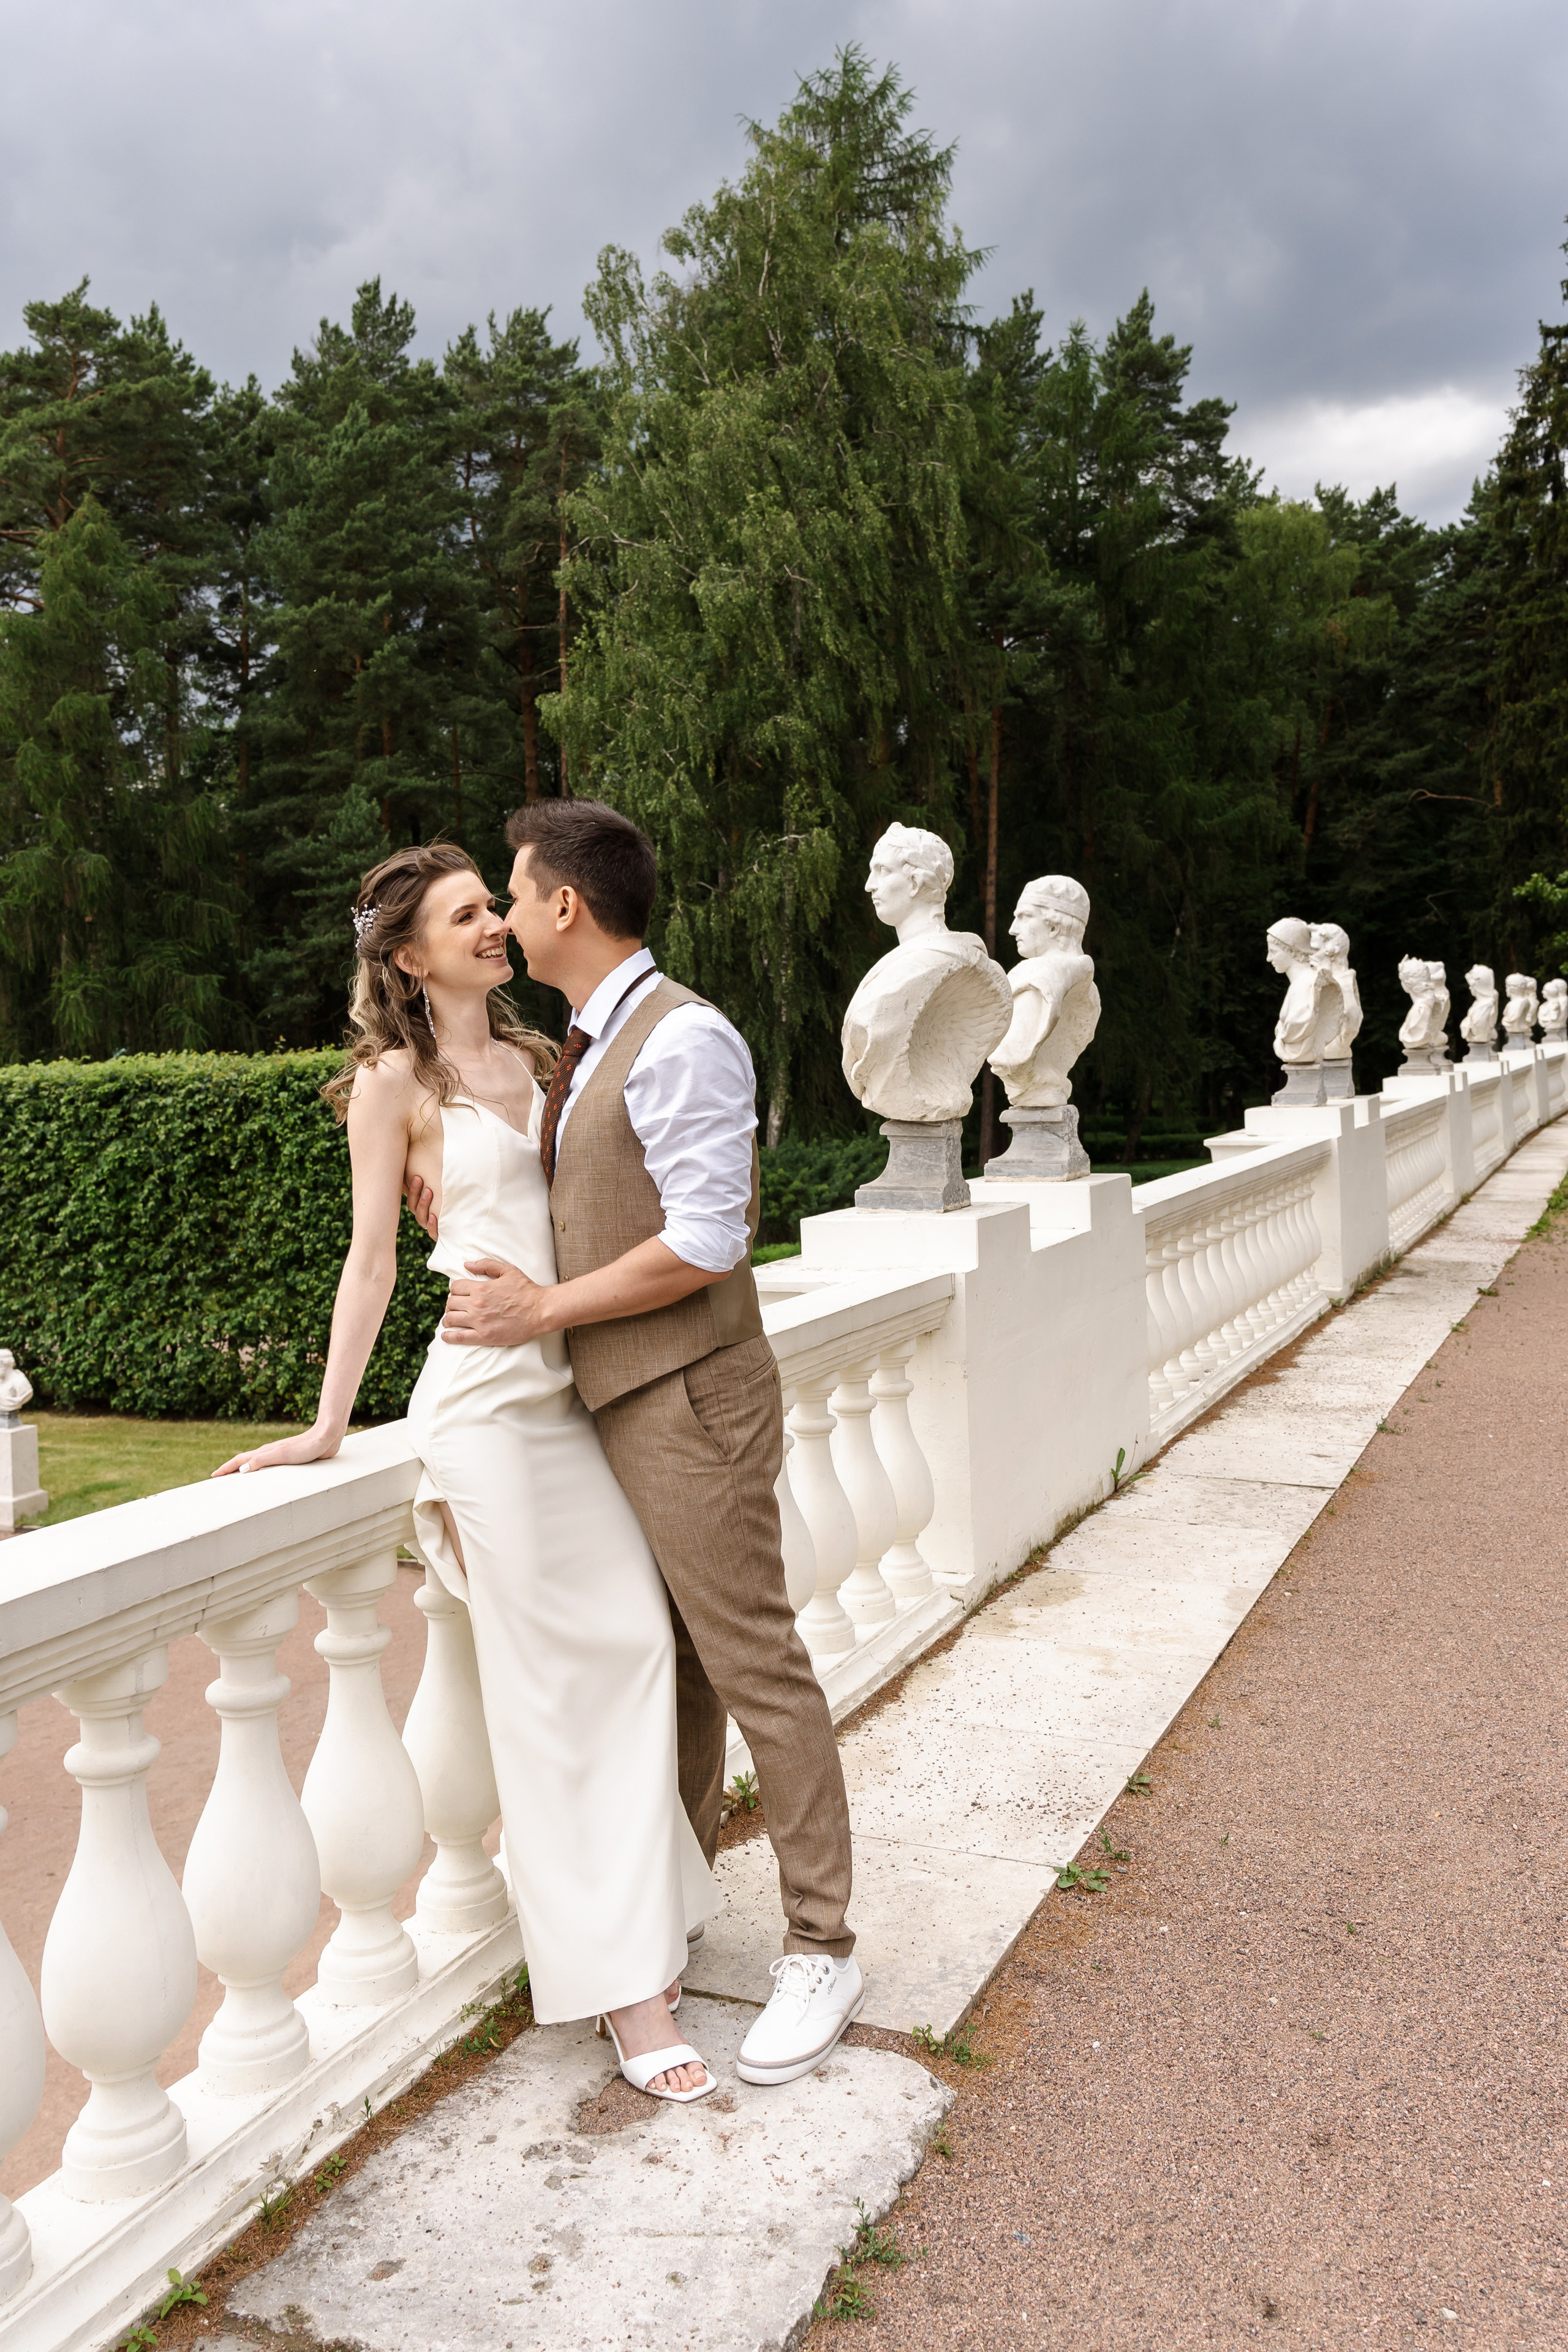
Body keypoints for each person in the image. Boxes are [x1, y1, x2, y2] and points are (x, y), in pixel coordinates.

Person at [214, 843, 717, 2104]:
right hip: (485, 1416)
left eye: (493, 907)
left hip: (571, 1396)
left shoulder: (548, 1064)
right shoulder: (392, 1084)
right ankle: (624, 1991)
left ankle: (645, 1915)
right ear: (406, 956)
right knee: (549, 1689)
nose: (495, 924)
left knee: (634, 1652)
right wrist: (328, 1427)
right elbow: (371, 1262)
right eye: (466, 915)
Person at [407, 799, 862, 2087]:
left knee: (748, 1658)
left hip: (689, 1398)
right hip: (599, 1407)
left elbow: (710, 1236)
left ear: (565, 907)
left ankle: (822, 1944)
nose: (499, 911)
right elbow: (582, 1197)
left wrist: (541, 1307)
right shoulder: (576, 1048)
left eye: (510, 890)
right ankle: (653, 1925)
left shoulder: (681, 1039)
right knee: (669, 1671)